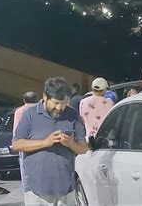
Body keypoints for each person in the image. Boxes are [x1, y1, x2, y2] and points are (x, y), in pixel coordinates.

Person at [13, 77, 87, 205]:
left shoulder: (72, 115)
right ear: (45, 97)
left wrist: (71, 143)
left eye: (64, 103)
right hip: (37, 192)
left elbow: (83, 148)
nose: (60, 107)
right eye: (56, 103)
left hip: (66, 190)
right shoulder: (30, 115)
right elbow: (17, 144)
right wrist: (45, 142)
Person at [12, 91, 37, 191]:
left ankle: (27, 187)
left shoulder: (19, 111)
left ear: (24, 100)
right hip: (40, 141)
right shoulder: (42, 109)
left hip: (25, 142)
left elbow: (16, 129)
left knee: (24, 165)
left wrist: (14, 142)